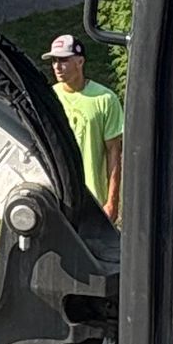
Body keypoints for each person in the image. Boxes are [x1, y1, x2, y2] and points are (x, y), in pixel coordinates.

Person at [45, 32, 123, 224]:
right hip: (57, 195)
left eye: (63, 60)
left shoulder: (104, 99)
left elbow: (114, 152)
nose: (57, 66)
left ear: (80, 62)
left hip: (93, 198)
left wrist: (112, 201)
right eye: (54, 60)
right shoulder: (49, 97)